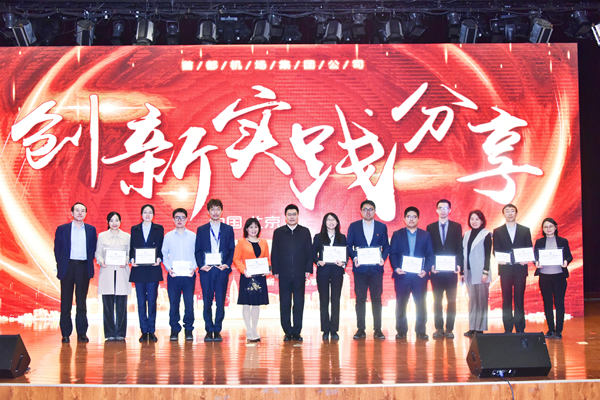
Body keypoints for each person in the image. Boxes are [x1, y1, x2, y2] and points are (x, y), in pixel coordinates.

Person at [54, 202, 97, 343]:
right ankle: (65, 333)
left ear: (86, 214)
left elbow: (93, 249)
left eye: (82, 211)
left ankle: (82, 333)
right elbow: (57, 249)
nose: (80, 213)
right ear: (72, 213)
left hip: (83, 267)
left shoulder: (91, 230)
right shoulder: (62, 229)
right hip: (68, 267)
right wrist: (61, 265)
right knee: (66, 302)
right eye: (77, 210)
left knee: (81, 301)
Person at [389, 206, 434, 340]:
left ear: (418, 219)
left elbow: (430, 255)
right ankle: (401, 330)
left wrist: (426, 270)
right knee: (401, 303)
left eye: (414, 217)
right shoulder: (397, 234)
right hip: (402, 275)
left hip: (419, 276)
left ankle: (421, 330)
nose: (411, 219)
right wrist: (396, 268)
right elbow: (393, 254)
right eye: (408, 216)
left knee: (421, 303)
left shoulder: (425, 235)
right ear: (404, 219)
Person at [347, 200, 389, 340]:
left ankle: (378, 329)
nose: (368, 212)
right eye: (365, 209)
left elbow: (386, 246)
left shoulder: (382, 227)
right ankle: (361, 329)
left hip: (376, 269)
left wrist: (383, 257)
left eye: (371, 209)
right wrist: (354, 257)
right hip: (360, 269)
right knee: (360, 299)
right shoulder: (354, 226)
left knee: (377, 299)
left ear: (375, 211)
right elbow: (349, 246)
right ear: (361, 211)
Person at [195, 199, 235, 342]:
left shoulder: (228, 229)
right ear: (208, 212)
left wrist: (227, 265)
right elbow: (198, 250)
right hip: (207, 270)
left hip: (221, 270)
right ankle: (208, 329)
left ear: (221, 211)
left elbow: (231, 250)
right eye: (212, 209)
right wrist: (201, 265)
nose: (215, 212)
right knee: (207, 301)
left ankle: (217, 329)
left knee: (220, 301)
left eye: (218, 209)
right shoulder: (201, 229)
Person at [271, 204, 313, 342]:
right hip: (284, 274)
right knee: (285, 303)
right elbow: (275, 252)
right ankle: (288, 332)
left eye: (294, 214)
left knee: (299, 303)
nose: (292, 217)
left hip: (300, 274)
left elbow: (309, 251)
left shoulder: (305, 232)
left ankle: (297, 332)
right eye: (289, 214)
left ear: (298, 216)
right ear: (285, 216)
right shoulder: (278, 232)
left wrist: (308, 269)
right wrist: (276, 270)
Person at [492, 204, 533, 333]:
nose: (510, 213)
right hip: (505, 269)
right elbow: (496, 249)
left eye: (512, 211)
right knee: (506, 299)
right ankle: (508, 328)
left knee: (520, 298)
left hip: (520, 269)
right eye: (507, 211)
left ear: (516, 213)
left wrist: (526, 258)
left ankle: (520, 327)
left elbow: (529, 247)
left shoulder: (525, 230)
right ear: (503, 214)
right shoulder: (497, 231)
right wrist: (499, 258)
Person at [427, 199, 463, 339]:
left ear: (450, 210)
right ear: (436, 210)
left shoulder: (456, 227)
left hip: (451, 271)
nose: (443, 210)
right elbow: (429, 249)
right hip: (436, 271)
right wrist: (431, 265)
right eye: (440, 208)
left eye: (445, 208)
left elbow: (459, 247)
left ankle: (449, 329)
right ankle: (439, 328)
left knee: (451, 301)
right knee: (437, 301)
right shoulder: (430, 227)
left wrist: (459, 264)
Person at [129, 204, 164, 343]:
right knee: (141, 301)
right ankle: (144, 331)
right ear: (141, 214)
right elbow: (132, 247)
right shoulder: (135, 229)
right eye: (145, 212)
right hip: (139, 270)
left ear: (153, 215)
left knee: (152, 301)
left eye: (150, 212)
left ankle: (152, 330)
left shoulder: (159, 229)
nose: (147, 214)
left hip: (153, 269)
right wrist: (132, 259)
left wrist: (159, 258)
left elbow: (161, 247)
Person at [534, 218, 573, 339]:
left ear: (556, 227)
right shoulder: (539, 242)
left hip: (559, 276)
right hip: (544, 276)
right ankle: (550, 329)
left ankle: (559, 330)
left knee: (559, 303)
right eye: (546, 227)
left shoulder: (563, 241)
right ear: (543, 229)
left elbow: (569, 256)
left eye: (551, 226)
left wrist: (566, 261)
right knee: (547, 303)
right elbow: (535, 257)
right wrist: (536, 262)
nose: (548, 229)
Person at [232, 218, 270, 342]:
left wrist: (268, 269)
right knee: (247, 303)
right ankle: (248, 330)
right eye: (251, 227)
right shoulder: (241, 242)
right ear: (246, 229)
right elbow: (236, 259)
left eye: (256, 227)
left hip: (260, 276)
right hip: (247, 276)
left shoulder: (264, 242)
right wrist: (244, 270)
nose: (253, 229)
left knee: (256, 304)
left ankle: (254, 329)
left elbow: (267, 258)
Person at [162, 208, 197, 342]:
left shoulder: (193, 236)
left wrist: (194, 268)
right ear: (173, 220)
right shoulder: (168, 236)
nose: (180, 220)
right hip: (174, 275)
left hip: (189, 275)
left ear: (186, 219)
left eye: (182, 217)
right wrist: (169, 268)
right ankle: (174, 329)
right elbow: (164, 253)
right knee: (174, 303)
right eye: (177, 217)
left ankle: (188, 329)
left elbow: (197, 254)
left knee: (189, 303)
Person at [95, 212, 131, 341]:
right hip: (107, 272)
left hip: (122, 272)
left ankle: (121, 332)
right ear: (107, 222)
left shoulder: (127, 236)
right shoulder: (102, 236)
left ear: (120, 222)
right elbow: (98, 252)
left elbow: (129, 253)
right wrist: (101, 261)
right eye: (111, 220)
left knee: (121, 305)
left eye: (116, 220)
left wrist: (126, 260)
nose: (114, 223)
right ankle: (109, 332)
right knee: (108, 305)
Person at [313, 213, 347, 341]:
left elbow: (346, 253)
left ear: (337, 222)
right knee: (324, 301)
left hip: (337, 272)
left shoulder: (342, 237)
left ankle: (334, 330)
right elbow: (312, 253)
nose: (331, 222)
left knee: (335, 300)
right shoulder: (318, 237)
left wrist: (343, 263)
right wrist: (318, 261)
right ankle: (325, 330)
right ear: (324, 222)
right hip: (323, 272)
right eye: (328, 220)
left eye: (333, 219)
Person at [462, 210, 492, 337]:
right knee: (472, 300)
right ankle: (472, 327)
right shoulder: (466, 235)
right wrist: (462, 272)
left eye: (477, 219)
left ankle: (480, 328)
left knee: (481, 301)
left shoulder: (486, 234)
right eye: (472, 219)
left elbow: (488, 255)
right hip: (469, 272)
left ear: (482, 221)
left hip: (481, 272)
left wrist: (485, 272)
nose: (474, 221)